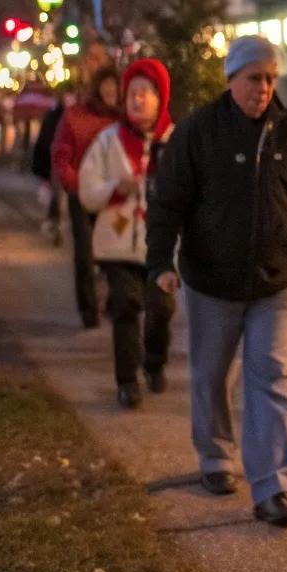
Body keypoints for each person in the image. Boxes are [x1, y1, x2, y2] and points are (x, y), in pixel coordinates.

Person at [146, 34, 287, 528]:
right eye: (254, 78)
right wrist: (161, 261)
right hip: (211, 281)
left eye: (271, 78)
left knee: (271, 378)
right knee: (211, 373)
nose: (264, 88)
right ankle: (216, 458)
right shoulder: (198, 132)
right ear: (232, 80)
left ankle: (272, 488)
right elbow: (167, 203)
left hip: (278, 282)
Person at [79, 59, 175, 409]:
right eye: (132, 94)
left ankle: (154, 361)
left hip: (161, 249)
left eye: (145, 94)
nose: (137, 100)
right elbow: (87, 192)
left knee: (162, 307)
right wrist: (114, 188)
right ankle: (126, 381)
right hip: (116, 244)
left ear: (159, 98)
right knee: (125, 306)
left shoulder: (175, 143)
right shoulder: (108, 142)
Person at [52, 65, 120, 326]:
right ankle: (89, 310)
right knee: (84, 253)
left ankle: (117, 303)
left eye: (114, 90)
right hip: (82, 195)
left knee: (117, 251)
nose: (110, 94)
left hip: (114, 196)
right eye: (106, 90)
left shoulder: (122, 119)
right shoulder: (74, 117)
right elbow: (61, 154)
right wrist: (76, 185)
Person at [31, 91, 71, 245]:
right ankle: (57, 226)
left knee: (58, 197)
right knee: (59, 197)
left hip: (58, 163)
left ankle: (56, 224)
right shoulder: (58, 117)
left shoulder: (54, 116)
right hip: (58, 163)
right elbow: (46, 141)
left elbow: (43, 141)